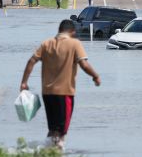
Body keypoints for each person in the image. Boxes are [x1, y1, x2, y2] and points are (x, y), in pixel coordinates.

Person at [19, 19, 101, 149]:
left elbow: (31, 61)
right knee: (62, 131)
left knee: (52, 128)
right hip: (65, 93)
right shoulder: (75, 44)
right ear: (73, 32)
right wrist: (95, 76)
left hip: (47, 93)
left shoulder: (47, 44)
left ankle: (47, 154)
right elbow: (84, 64)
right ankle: (58, 155)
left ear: (59, 30)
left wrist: (24, 82)